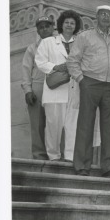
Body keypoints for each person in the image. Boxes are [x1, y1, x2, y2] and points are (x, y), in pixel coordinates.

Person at [67, 5, 110, 177]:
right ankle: (82, 166)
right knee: (85, 125)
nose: (106, 17)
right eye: (103, 14)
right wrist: (81, 80)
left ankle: (108, 167)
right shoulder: (85, 36)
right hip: (90, 82)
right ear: (97, 16)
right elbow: (72, 60)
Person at [35, 10, 82, 162]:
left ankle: (70, 157)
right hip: (55, 90)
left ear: (76, 26)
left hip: (75, 90)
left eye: (72, 23)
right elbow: (40, 61)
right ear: (61, 24)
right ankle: (53, 156)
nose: (69, 25)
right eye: (67, 22)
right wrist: (56, 67)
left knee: (73, 125)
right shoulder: (48, 42)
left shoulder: (81, 43)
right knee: (53, 125)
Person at [21, 15, 55, 160]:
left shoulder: (60, 44)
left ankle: (57, 154)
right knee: (37, 123)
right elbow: (26, 70)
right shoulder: (32, 48)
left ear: (53, 27)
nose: (44, 29)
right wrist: (28, 90)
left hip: (57, 87)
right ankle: (39, 155)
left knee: (56, 122)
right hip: (38, 86)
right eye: (41, 27)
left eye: (47, 26)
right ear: (38, 31)